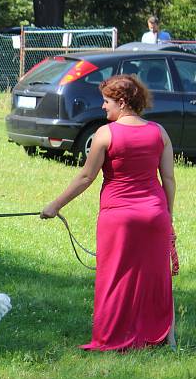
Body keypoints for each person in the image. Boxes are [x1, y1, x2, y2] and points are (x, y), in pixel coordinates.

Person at [40, 74, 176, 351]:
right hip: (154, 215)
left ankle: (113, 337)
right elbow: (169, 180)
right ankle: (163, 337)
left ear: (122, 102)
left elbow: (85, 178)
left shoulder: (105, 134)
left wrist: (55, 205)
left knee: (114, 278)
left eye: (106, 102)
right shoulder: (159, 132)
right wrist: (167, 215)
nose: (103, 107)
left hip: (119, 218)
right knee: (155, 279)